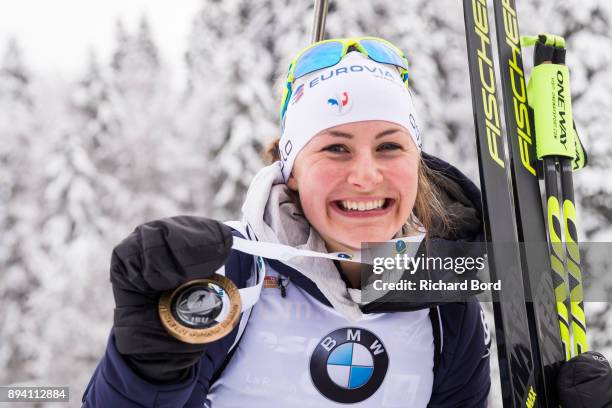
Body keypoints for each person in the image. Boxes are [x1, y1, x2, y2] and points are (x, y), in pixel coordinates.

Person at [82, 37, 492, 407]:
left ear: (416, 164)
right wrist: (145, 371)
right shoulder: (232, 273)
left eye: (389, 146)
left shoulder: (446, 303)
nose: (366, 175)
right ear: (291, 170)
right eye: (335, 148)